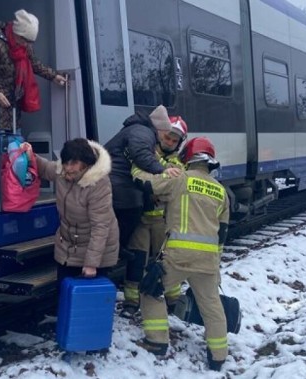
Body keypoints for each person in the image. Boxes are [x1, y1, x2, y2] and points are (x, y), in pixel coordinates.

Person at [132, 137, 230, 372]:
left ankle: (157, 341)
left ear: (187, 158)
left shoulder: (180, 180)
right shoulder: (221, 192)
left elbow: (146, 183)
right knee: (211, 304)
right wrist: (215, 268)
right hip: (208, 260)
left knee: (150, 289)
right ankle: (218, 355)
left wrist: (136, 165)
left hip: (179, 255)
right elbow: (223, 233)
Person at [121, 116, 188, 317]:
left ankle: (172, 299)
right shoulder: (145, 153)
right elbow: (137, 173)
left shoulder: (178, 162)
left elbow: (175, 183)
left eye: (174, 141)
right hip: (142, 219)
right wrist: (164, 178)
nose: (169, 142)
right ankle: (131, 302)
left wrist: (157, 182)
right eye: (167, 137)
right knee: (136, 261)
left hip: (162, 222)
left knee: (166, 262)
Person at [32, 138, 119, 289]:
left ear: (86, 163)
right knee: (65, 291)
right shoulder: (61, 173)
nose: (68, 168)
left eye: (73, 163)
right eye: (66, 162)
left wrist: (91, 264)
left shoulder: (98, 184)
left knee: (89, 300)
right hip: (69, 244)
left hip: (96, 248)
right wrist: (28, 154)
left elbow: (100, 227)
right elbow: (45, 168)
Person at [104, 105, 182, 252]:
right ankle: (117, 247)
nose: (166, 139)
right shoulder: (143, 132)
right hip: (116, 179)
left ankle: (117, 247)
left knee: (130, 210)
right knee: (132, 210)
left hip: (114, 177)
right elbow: (141, 155)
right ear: (160, 129)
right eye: (166, 134)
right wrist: (164, 169)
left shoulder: (140, 130)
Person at [0, 9, 68, 131]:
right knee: (2, 143)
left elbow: (34, 64)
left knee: (15, 145)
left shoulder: (25, 46)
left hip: (14, 108)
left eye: (30, 42)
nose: (27, 45)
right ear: (17, 34)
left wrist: (54, 76)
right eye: (25, 40)